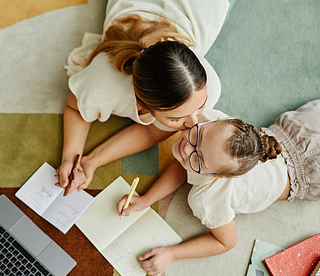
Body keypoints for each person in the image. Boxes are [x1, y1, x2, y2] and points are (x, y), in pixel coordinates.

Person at [117, 93, 320, 276]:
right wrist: (146, 200)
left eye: (198, 156)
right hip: (300, 131)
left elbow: (226, 242)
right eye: (197, 138)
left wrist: (171, 253)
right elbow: (183, 166)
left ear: (218, 177)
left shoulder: (207, 200)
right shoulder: (206, 121)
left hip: (312, 167)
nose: (186, 148)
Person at [56, 0, 232, 194]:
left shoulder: (210, 86)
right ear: (145, 105)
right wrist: (69, 159)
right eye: (176, 118)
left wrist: (92, 161)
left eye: (201, 106)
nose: (194, 123)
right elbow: (75, 107)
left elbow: (150, 132)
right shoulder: (102, 86)